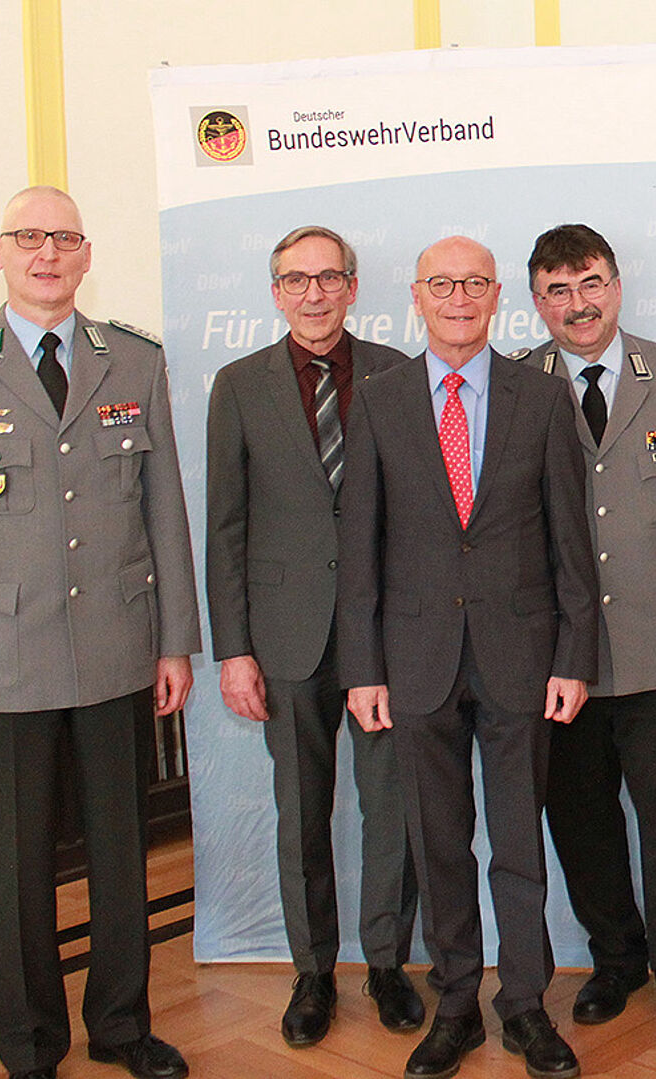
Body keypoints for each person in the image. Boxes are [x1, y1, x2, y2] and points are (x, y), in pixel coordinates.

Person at [0, 185, 202, 1079]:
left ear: (85, 255)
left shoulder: (133, 361)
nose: (48, 253)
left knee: (122, 859)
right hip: (0, 666)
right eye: (29, 238)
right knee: (17, 865)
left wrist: (174, 642)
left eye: (65, 238)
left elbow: (164, 510)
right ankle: (30, 1041)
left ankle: (121, 1025)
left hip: (118, 650)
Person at [336, 236, 598, 1079]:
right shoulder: (377, 401)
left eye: (474, 284)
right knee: (438, 841)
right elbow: (361, 549)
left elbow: (570, 538)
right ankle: (455, 1003)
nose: (458, 298)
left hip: (522, 656)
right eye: (442, 284)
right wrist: (362, 668)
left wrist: (575, 653)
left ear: (497, 298)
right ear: (416, 297)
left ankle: (522, 1003)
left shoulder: (542, 396)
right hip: (413, 661)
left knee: (519, 842)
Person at [205, 225, 423, 1048]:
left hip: (386, 638)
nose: (313, 293)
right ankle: (313, 972)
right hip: (284, 638)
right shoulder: (239, 385)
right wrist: (233, 649)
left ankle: (390, 964)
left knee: (390, 805)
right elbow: (224, 526)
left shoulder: (401, 375)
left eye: (328, 277)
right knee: (300, 811)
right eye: (295, 279)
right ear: (275, 292)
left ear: (353, 286)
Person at [524, 224, 656, 1056]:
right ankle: (617, 961)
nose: (579, 304)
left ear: (618, 282)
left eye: (592, 282)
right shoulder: (513, 386)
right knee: (579, 819)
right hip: (555, 656)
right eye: (559, 290)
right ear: (537, 301)